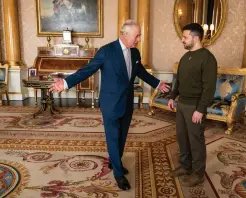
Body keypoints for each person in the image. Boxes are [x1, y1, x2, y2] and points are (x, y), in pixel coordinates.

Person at [49, 19, 170, 191]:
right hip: (110, 103)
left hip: (127, 101)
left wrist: (157, 83)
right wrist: (66, 83)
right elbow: (87, 70)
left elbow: (140, 71)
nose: (139, 39)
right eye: (137, 36)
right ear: (124, 34)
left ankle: (115, 162)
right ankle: (118, 174)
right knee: (113, 137)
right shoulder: (106, 51)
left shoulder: (135, 53)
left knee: (122, 136)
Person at [167, 23, 217, 187]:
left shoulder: (207, 58)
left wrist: (200, 110)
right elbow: (178, 81)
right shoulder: (185, 57)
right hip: (182, 105)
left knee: (195, 140)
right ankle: (185, 166)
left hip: (195, 106)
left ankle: (198, 173)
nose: (182, 40)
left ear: (196, 38)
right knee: (183, 138)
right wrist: (172, 96)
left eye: (185, 37)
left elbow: (209, 88)